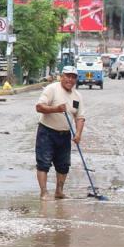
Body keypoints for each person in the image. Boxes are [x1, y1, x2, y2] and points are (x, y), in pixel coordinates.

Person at [34, 66, 86, 200]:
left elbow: (80, 117)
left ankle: (59, 191)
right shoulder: (52, 89)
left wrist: (78, 134)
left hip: (64, 134)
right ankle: (44, 192)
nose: (70, 79)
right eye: (67, 76)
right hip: (47, 131)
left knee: (63, 165)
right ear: (61, 77)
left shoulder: (77, 96)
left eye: (73, 77)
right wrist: (56, 109)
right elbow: (39, 107)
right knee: (44, 163)